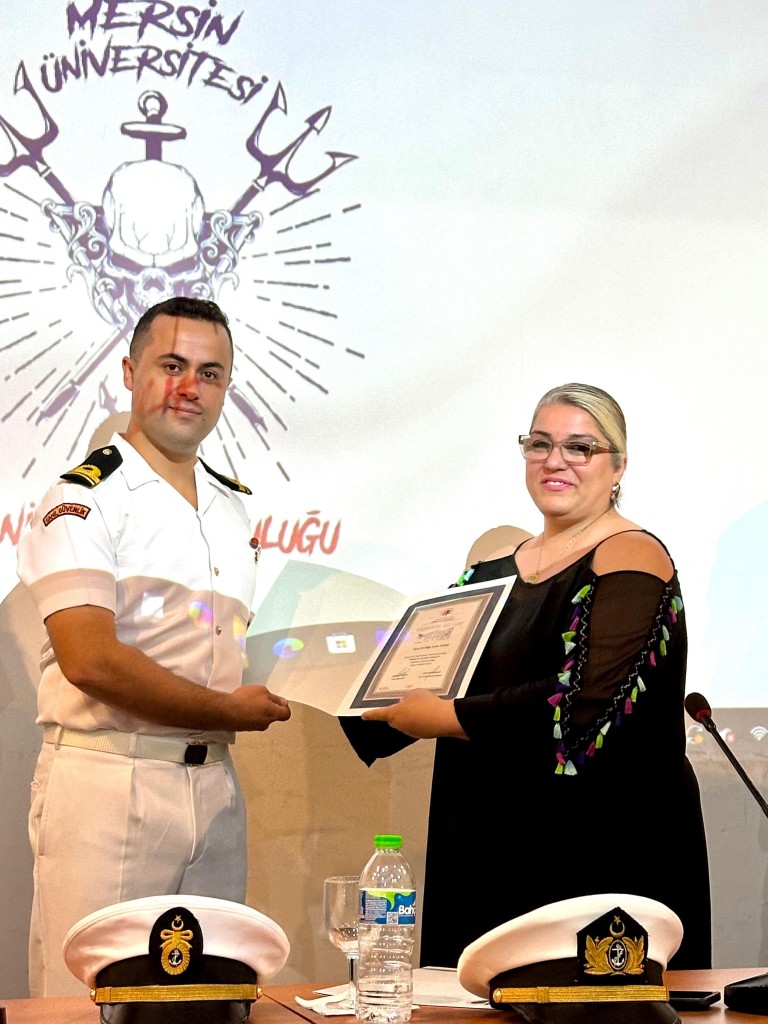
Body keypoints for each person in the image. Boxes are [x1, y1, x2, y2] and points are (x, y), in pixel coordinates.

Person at [343, 382, 711, 970]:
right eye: (539, 444)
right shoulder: (488, 572)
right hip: (487, 837)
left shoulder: (631, 554)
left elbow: (583, 705)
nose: (554, 460)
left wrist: (446, 717)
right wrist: (316, 674)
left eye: (579, 447)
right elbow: (426, 676)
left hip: (596, 845)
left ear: (618, 466)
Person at [17, 296, 291, 997]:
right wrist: (228, 710)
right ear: (129, 371)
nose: (188, 387)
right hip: (111, 782)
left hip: (215, 786)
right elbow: (90, 661)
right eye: (171, 365)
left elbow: (231, 647)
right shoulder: (82, 500)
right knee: (88, 1002)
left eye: (209, 373)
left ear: (226, 387)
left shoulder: (232, 506)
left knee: (209, 997)